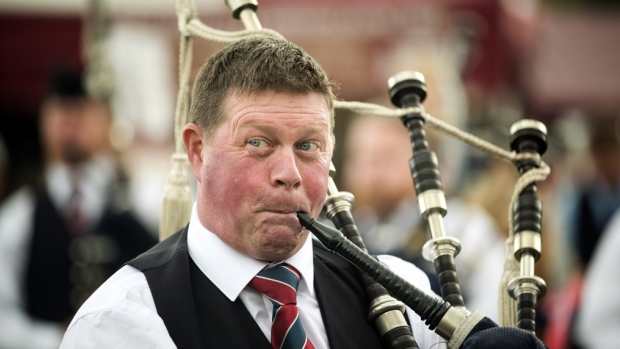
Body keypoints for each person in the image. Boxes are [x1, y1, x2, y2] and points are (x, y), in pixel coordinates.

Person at [59, 37, 547, 349]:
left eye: (309, 146)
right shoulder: (119, 324)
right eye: (258, 143)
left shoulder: (400, 292)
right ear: (197, 150)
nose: (289, 173)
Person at [0, 65, 157, 349]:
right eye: (61, 110)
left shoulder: (145, 199)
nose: (71, 122)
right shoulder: (18, 216)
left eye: (83, 110)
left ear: (108, 121)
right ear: (44, 121)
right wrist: (57, 341)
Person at [341, 114, 506, 322]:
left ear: (421, 164)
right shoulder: (342, 233)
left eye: (384, 159)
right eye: (359, 158)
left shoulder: (464, 229)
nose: (368, 174)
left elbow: (494, 309)